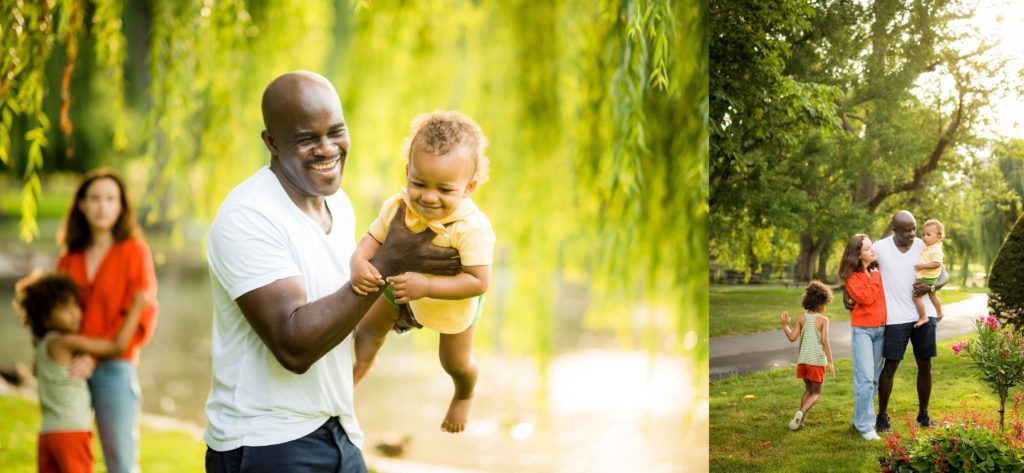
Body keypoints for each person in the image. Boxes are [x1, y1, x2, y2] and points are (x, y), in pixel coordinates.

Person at [203, 71, 461, 473]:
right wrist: (387, 261)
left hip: (336, 432)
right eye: (308, 138)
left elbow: (344, 319)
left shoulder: (337, 204)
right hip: (265, 447)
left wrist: (400, 301)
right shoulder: (248, 216)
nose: (328, 148)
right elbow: (295, 346)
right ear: (271, 142)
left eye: (336, 132)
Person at [350, 110, 495, 434]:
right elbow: (373, 239)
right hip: (401, 285)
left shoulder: (471, 228)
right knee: (367, 332)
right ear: (407, 172)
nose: (428, 197)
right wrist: (358, 261)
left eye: (444, 190)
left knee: (454, 363)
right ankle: (348, 384)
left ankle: (464, 392)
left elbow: (478, 281)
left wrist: (427, 286)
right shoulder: (397, 207)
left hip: (450, 297)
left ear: (469, 186)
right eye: (419, 183)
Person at [56, 168, 159, 473]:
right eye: (95, 198)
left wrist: (94, 356)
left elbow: (141, 316)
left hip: (115, 369)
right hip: (70, 369)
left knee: (121, 464)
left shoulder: (135, 252)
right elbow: (55, 314)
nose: (103, 206)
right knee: (68, 459)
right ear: (82, 205)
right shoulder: (69, 257)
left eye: (110, 199)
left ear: (121, 207)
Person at [13, 271, 146, 473]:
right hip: (71, 434)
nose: (75, 313)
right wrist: (136, 309)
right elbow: (116, 347)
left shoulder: (42, 347)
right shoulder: (65, 343)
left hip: (48, 435)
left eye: (75, 305)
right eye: (64, 309)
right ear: (45, 320)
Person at [872, 210, 949, 432]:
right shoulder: (881, 247)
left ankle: (923, 415)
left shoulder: (924, 245)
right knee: (891, 366)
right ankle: (882, 416)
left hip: (925, 316)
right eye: (907, 230)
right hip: (895, 317)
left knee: (925, 364)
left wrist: (931, 287)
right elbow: (859, 263)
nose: (913, 233)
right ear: (894, 229)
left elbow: (944, 275)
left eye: (914, 228)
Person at [838, 234, 886, 441]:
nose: (872, 251)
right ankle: (866, 426)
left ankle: (860, 419)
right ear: (857, 255)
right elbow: (866, 298)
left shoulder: (877, 269)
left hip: (881, 330)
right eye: (867, 249)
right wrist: (875, 278)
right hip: (863, 332)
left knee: (874, 379)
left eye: (871, 246)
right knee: (865, 379)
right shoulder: (853, 278)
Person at [780, 280, 836, 431]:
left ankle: (800, 421)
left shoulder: (800, 318)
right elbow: (825, 341)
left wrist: (785, 325)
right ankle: (802, 412)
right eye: (825, 303)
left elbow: (792, 337)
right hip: (816, 362)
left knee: (808, 389)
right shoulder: (823, 320)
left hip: (803, 361)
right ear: (820, 303)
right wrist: (830, 363)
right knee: (816, 392)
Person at [912, 219, 945, 328]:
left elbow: (937, 264)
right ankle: (939, 313)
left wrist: (923, 266)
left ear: (938, 236)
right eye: (923, 234)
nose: (924, 237)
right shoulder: (930, 247)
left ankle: (923, 317)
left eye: (928, 234)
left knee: (915, 297)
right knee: (933, 296)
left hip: (927, 278)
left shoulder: (936, 250)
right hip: (928, 277)